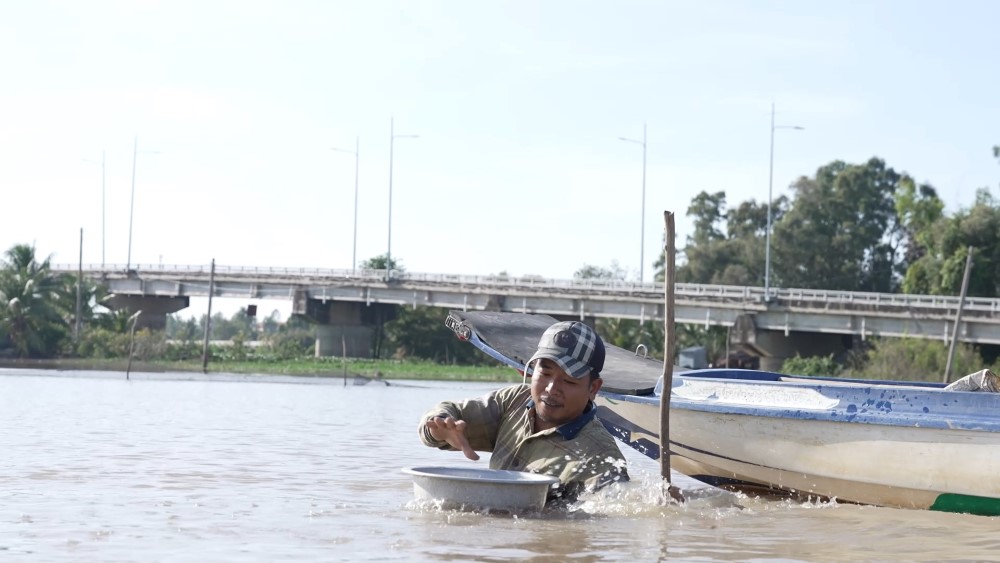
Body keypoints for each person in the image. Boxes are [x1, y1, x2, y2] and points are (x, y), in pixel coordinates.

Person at [417, 320, 628, 505]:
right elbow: (445, 413)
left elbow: (606, 522)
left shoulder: (600, 457)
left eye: (569, 380)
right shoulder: (515, 401)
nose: (551, 388)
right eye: (545, 372)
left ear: (593, 388)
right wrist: (440, 430)